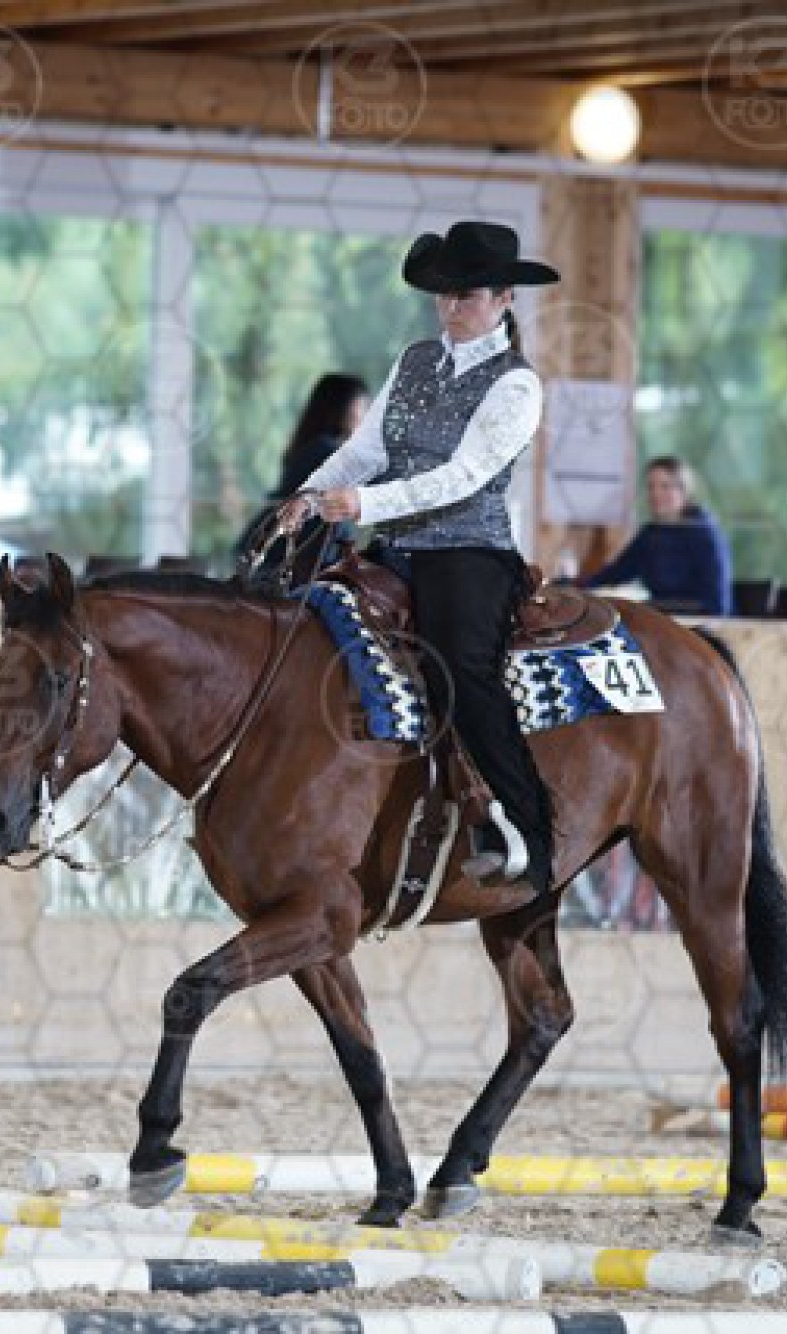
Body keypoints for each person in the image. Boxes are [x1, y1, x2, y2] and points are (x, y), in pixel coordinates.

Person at [279, 220, 559, 906]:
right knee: (314, 620)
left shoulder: (518, 387)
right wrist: (310, 495)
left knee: (462, 665)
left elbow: (463, 478)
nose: (450, 308)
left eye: (466, 296)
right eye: (444, 295)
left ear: (504, 299)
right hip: (397, 547)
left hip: (469, 551)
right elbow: (366, 450)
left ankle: (527, 832)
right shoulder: (415, 361)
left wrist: (364, 503)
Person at [236, 373, 368, 570]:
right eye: (363, 407)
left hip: (276, 550)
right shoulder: (328, 450)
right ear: (344, 408)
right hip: (294, 558)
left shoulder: (312, 445)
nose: (366, 417)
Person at [582, 457, 732, 615]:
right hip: (662, 620)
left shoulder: (705, 535)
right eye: (651, 487)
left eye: (665, 486)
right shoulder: (650, 534)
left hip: (700, 624)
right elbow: (615, 573)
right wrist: (574, 586)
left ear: (684, 491)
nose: (656, 493)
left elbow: (717, 605)